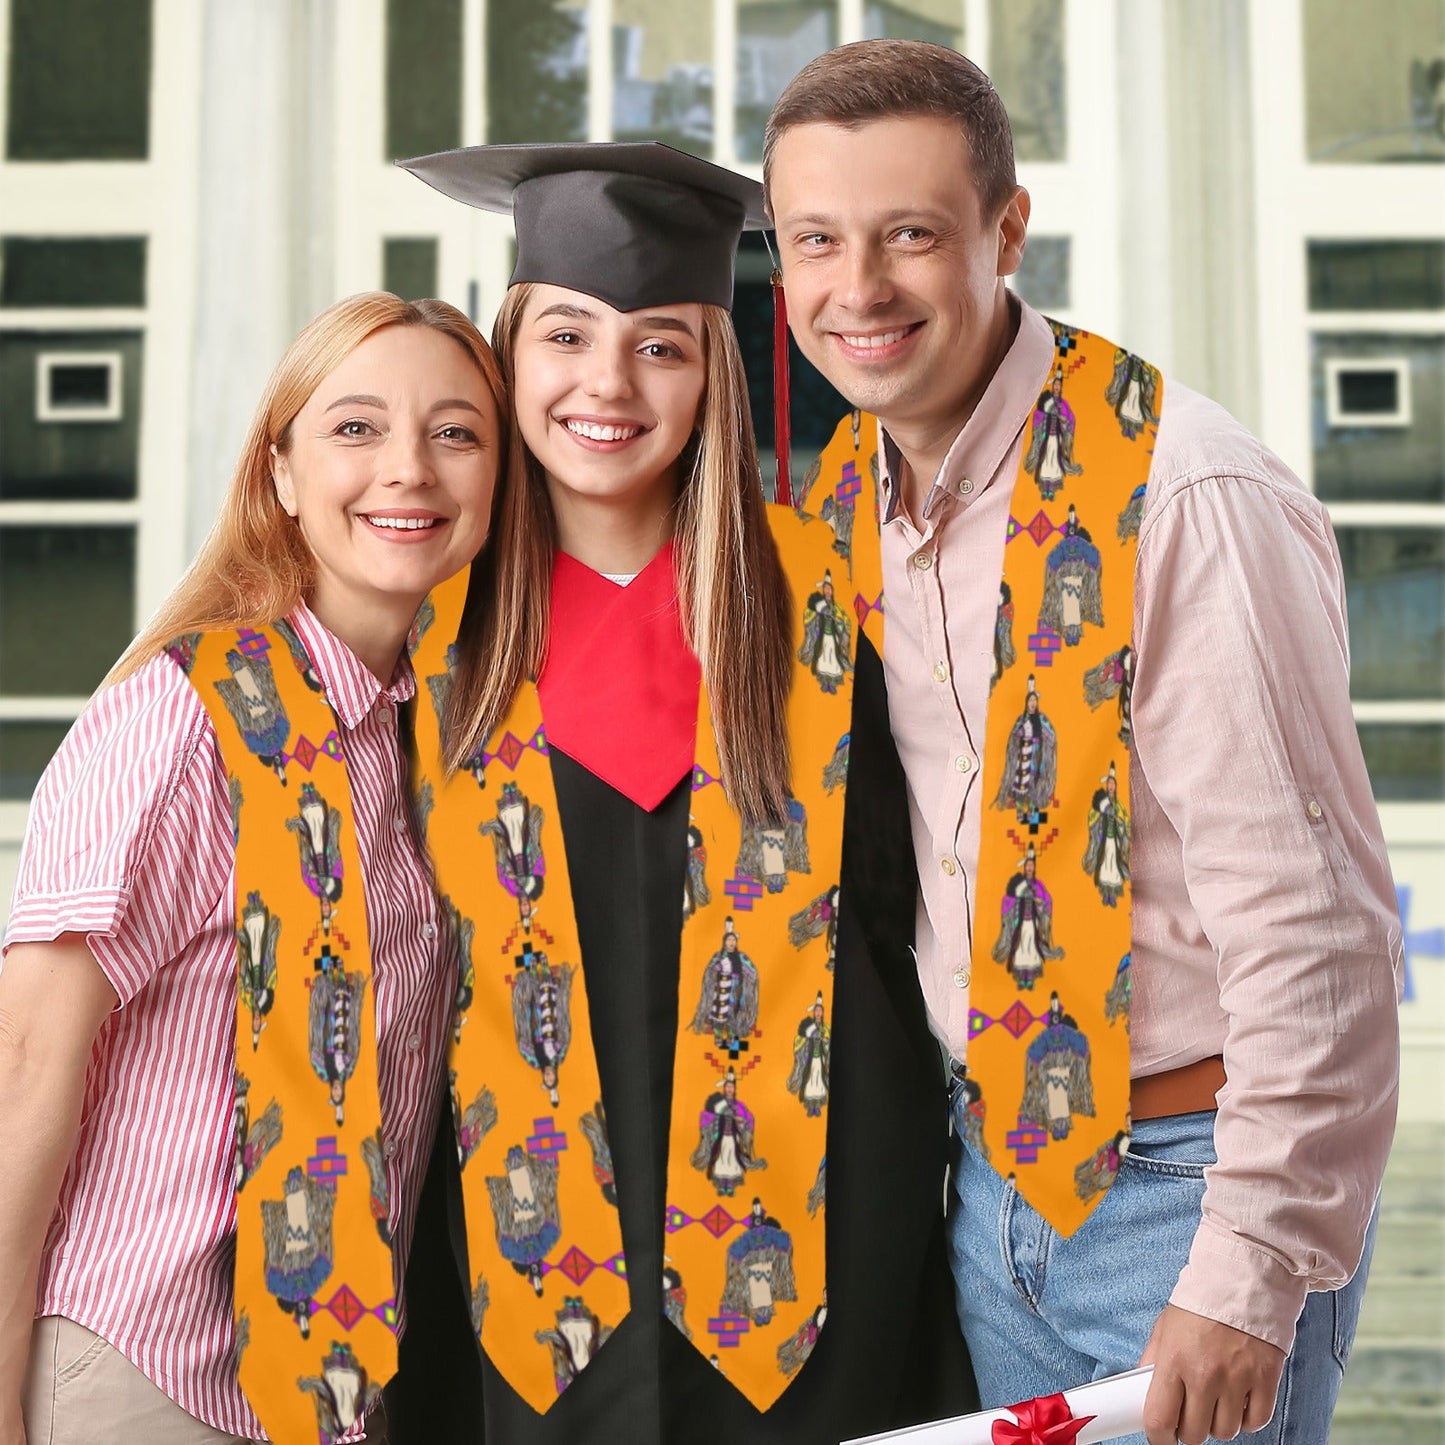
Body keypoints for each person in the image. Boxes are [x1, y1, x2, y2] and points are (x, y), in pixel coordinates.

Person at [764, 39, 1402, 1445]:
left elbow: (1317, 929)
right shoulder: (852, 495)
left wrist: (1248, 1270)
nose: (856, 288)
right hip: (989, 1186)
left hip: (1186, 1191)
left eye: (908, 234)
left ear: (1005, 232)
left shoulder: (1181, 495)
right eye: (815, 239)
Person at [382, 142, 973, 1443]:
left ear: (713, 372)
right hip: (509, 1286)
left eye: (659, 345)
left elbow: (910, 924)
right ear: (506, 354)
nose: (607, 383)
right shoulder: (417, 634)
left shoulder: (836, 609)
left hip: (819, 1272)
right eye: (566, 336)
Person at [0, 292, 506, 1444]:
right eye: (356, 426)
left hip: (326, 1392)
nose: (408, 468)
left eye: (455, 432)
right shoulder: (182, 720)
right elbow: (24, 1056)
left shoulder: (421, 743)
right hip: (143, 1373)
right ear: (279, 472)